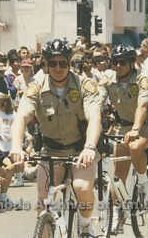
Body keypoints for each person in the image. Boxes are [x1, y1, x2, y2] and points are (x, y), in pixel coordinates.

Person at [10, 39, 102, 236]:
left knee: (81, 187)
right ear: (45, 65)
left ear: (70, 64)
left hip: (80, 149)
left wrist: (89, 147)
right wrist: (16, 146)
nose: (58, 68)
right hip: (51, 150)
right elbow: (21, 117)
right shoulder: (36, 88)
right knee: (44, 196)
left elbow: (94, 118)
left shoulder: (85, 85)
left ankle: (86, 225)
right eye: (52, 63)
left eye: (63, 63)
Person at [98, 44, 148, 233]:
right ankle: (117, 212)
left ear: (132, 63)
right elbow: (98, 100)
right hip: (123, 126)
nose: (118, 66)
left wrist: (135, 129)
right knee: (118, 175)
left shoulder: (142, 79)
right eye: (114, 62)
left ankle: (143, 184)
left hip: (146, 125)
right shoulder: (108, 78)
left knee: (134, 147)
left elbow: (142, 106)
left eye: (122, 62)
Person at [0, 93, 24, 186]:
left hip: (12, 142)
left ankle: (19, 178)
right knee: (0, 162)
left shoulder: (14, 115)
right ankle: (1, 179)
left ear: (2, 104)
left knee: (15, 161)